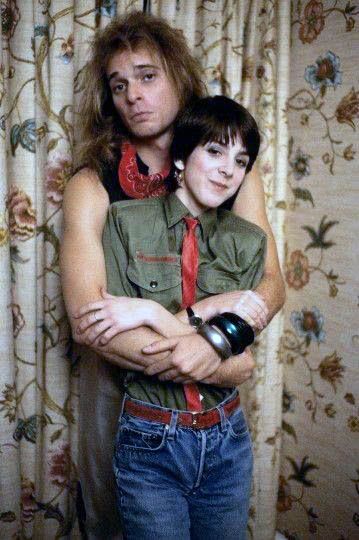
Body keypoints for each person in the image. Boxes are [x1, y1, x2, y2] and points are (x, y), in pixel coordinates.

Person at [60, 11, 285, 540]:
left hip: (213, 416)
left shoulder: (228, 170)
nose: (133, 94)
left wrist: (215, 340)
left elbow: (270, 284)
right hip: (122, 402)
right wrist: (217, 363)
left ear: (179, 78)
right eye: (119, 85)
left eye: (147, 75)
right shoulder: (92, 185)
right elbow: (89, 323)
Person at [104, 95, 265, 539]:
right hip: (150, 439)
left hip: (228, 438)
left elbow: (237, 357)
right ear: (180, 155)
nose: (228, 170)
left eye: (240, 160)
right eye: (214, 151)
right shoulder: (123, 221)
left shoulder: (248, 242)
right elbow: (112, 335)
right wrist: (204, 318)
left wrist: (153, 312)